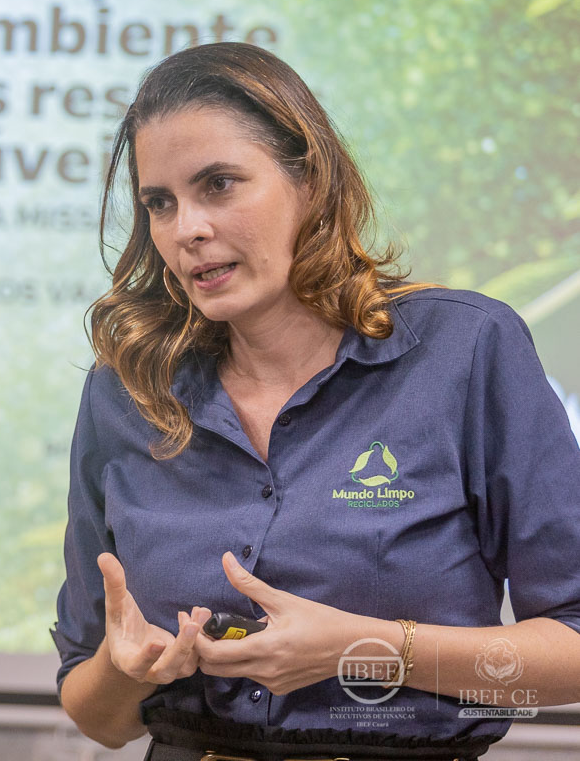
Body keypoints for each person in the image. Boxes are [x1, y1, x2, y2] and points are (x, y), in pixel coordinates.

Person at [51, 41, 580, 761]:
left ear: (309, 179)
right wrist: (126, 669)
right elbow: (101, 719)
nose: (186, 229)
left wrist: (361, 648)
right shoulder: (127, 388)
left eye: (218, 185)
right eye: (159, 203)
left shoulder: (465, 349)